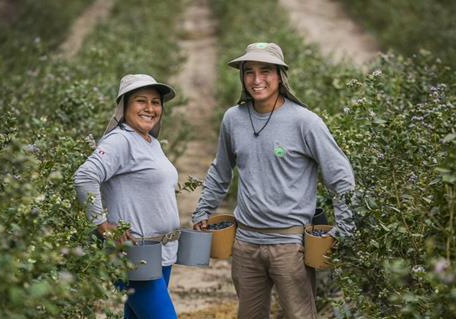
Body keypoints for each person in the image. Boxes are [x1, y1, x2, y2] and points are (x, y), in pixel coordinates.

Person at [192, 42, 356, 319]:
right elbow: (221, 171)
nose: (257, 80)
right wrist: (203, 210)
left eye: (265, 71)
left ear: (280, 75)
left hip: (290, 245)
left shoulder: (305, 122)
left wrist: (345, 227)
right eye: (249, 72)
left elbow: (340, 176)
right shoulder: (233, 119)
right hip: (244, 243)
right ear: (242, 77)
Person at [74, 74, 180, 319]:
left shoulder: (150, 142)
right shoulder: (120, 140)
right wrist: (101, 225)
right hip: (134, 255)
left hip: (159, 253)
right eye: (141, 101)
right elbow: (85, 176)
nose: (150, 108)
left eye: (155, 102)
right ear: (124, 106)